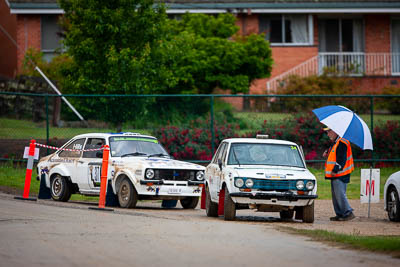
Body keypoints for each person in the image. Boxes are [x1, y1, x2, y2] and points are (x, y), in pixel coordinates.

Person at [323, 127, 355, 221]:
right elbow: (334, 152)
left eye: (329, 132)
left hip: (340, 173)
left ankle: (348, 212)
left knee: (340, 194)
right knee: (336, 195)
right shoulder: (337, 141)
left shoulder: (342, 142)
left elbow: (341, 159)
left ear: (336, 131)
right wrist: (327, 151)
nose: (328, 134)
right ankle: (340, 214)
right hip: (337, 174)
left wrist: (335, 170)